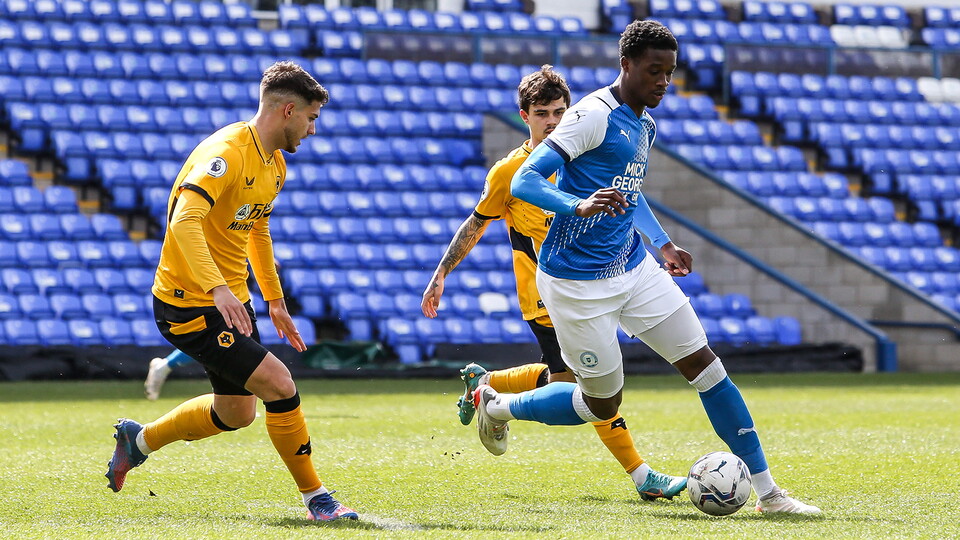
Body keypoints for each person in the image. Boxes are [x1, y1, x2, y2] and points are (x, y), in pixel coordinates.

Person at [474, 20, 820, 515]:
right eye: (654, 71)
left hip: (633, 269)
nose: (663, 81)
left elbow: (629, 193)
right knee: (601, 405)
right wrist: (577, 205)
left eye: (670, 72)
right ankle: (497, 405)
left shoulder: (645, 125)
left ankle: (770, 494)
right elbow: (526, 181)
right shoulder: (591, 115)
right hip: (574, 284)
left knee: (706, 366)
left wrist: (664, 245)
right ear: (626, 65)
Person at [104, 61, 358, 522]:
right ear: (287, 110)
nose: (313, 130)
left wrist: (274, 299)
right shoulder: (226, 153)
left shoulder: (274, 164)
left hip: (229, 301)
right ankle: (317, 498)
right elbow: (185, 219)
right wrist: (218, 287)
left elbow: (256, 226)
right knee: (281, 385)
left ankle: (137, 440)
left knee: (238, 412)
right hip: (188, 304)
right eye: (312, 118)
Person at [422, 65, 686, 500]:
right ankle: (643, 477)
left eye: (560, 111)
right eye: (542, 112)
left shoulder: (586, 155)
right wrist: (441, 273)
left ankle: (488, 386)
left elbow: (628, 200)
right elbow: (477, 222)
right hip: (548, 297)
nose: (553, 121)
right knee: (591, 390)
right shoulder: (510, 172)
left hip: (598, 282)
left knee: (565, 384)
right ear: (524, 115)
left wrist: (661, 243)